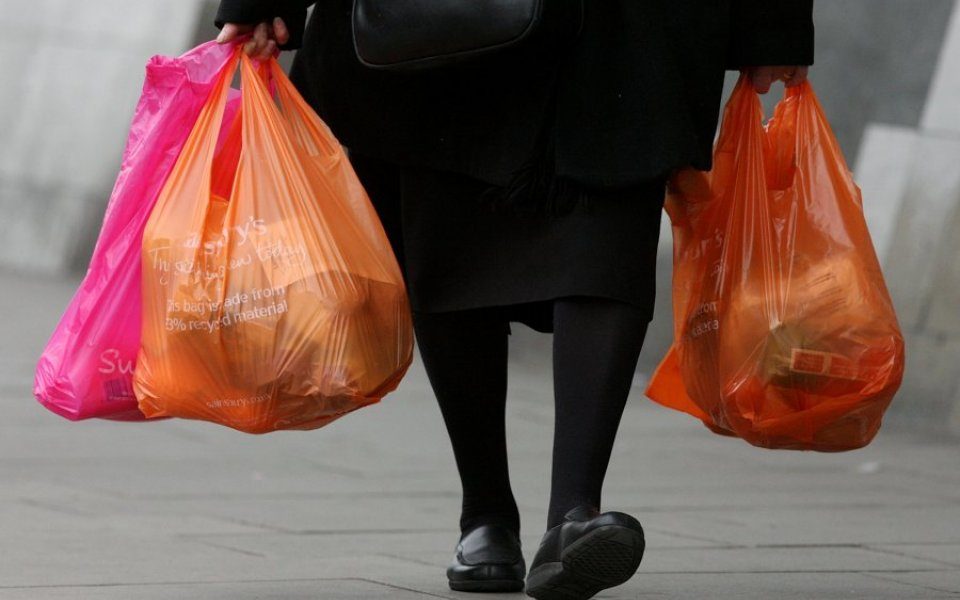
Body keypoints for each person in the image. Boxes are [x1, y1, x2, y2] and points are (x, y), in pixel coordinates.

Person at [216, 2, 814, 598]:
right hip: (440, 32)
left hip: (622, 35)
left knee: (607, 236)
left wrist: (773, 23)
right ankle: (486, 513)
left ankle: (571, 516)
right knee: (444, 235)